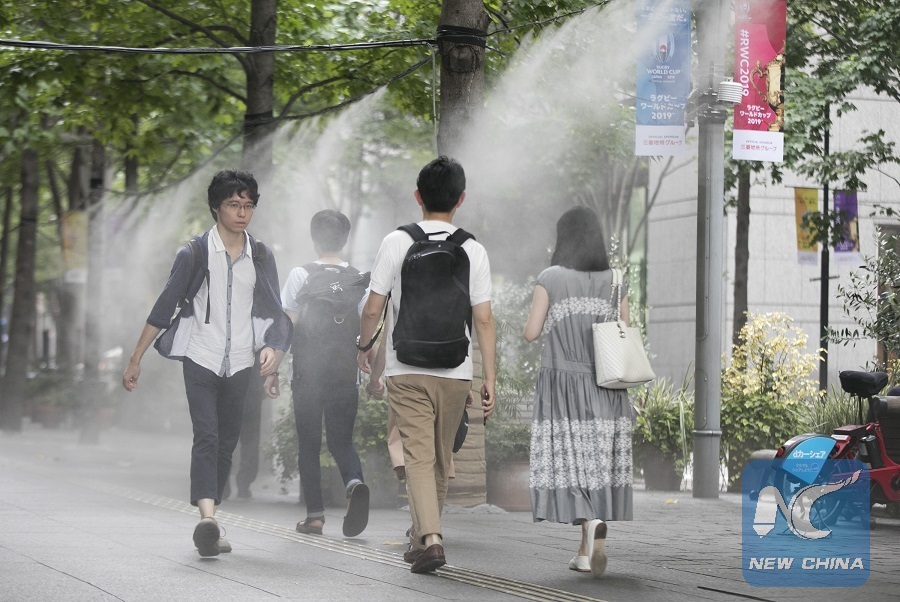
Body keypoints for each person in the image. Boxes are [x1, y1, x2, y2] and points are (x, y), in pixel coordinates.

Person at [122, 169, 292, 557]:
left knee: (227, 443)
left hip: (242, 362)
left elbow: (274, 312)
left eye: (248, 205)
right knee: (207, 436)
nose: (242, 213)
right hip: (201, 356)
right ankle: (207, 519)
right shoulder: (194, 253)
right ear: (216, 207)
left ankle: (211, 523)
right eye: (233, 204)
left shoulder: (261, 256)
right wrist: (135, 359)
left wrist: (274, 353)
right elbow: (164, 308)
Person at [357, 156, 496, 574]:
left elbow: (373, 308)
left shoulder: (396, 241)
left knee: (418, 456)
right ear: (461, 199)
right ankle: (423, 540)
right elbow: (484, 320)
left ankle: (430, 539)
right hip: (456, 370)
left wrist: (364, 346)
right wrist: (489, 378)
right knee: (438, 457)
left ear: (418, 196)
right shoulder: (473, 248)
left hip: (407, 367)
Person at [523, 206, 633, 578]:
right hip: (606, 385)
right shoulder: (615, 279)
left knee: (571, 464)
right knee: (597, 465)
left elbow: (531, 332)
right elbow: (624, 328)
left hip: (563, 386)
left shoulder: (550, 277)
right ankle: (586, 550)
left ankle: (590, 532)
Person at [272, 209, 370, 538]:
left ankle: (315, 517)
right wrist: (373, 369)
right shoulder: (359, 279)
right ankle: (354, 482)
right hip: (345, 372)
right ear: (345, 240)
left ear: (314, 239)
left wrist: (273, 368)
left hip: (307, 373)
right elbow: (370, 328)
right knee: (342, 441)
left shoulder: (301, 274)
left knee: (309, 444)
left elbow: (287, 326)